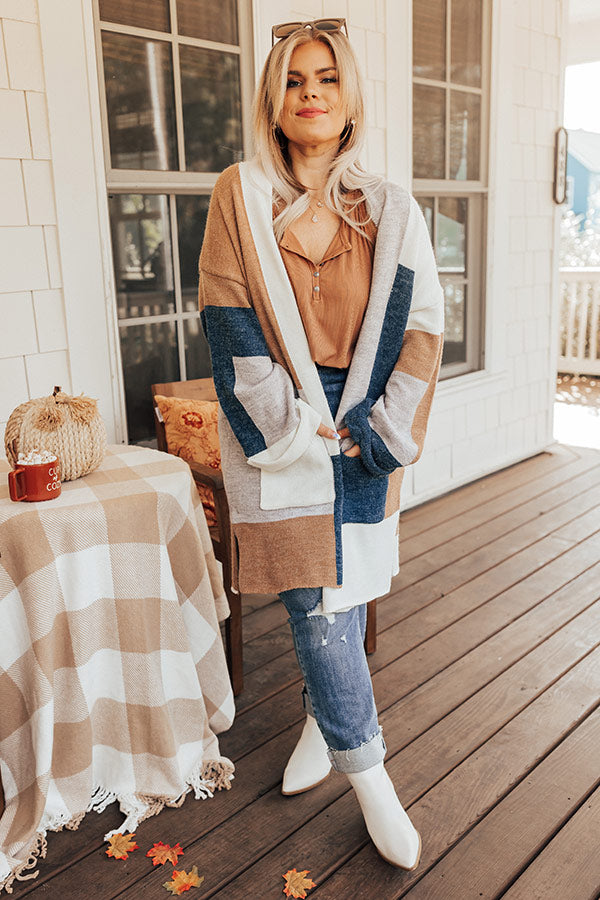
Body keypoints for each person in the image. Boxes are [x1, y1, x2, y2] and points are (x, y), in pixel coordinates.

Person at [198, 18, 444, 870]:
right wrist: (293, 426)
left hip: (366, 412)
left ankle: (317, 724)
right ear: (276, 96)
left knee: (350, 581)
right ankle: (371, 775)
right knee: (316, 594)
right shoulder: (242, 193)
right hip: (283, 416)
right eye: (296, 79)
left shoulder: (388, 206)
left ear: (348, 100)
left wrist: (382, 427)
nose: (311, 92)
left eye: (327, 78)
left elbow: (421, 324)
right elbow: (229, 322)